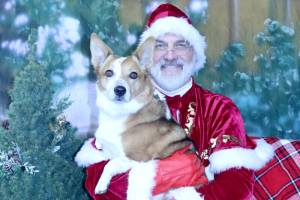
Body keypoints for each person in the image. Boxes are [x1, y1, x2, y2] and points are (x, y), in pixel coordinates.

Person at [83, 3, 277, 200]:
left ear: (195, 53)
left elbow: (236, 186)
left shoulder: (220, 109)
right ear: (147, 58)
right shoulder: (117, 106)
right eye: (160, 45)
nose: (170, 55)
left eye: (180, 44)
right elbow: (96, 179)